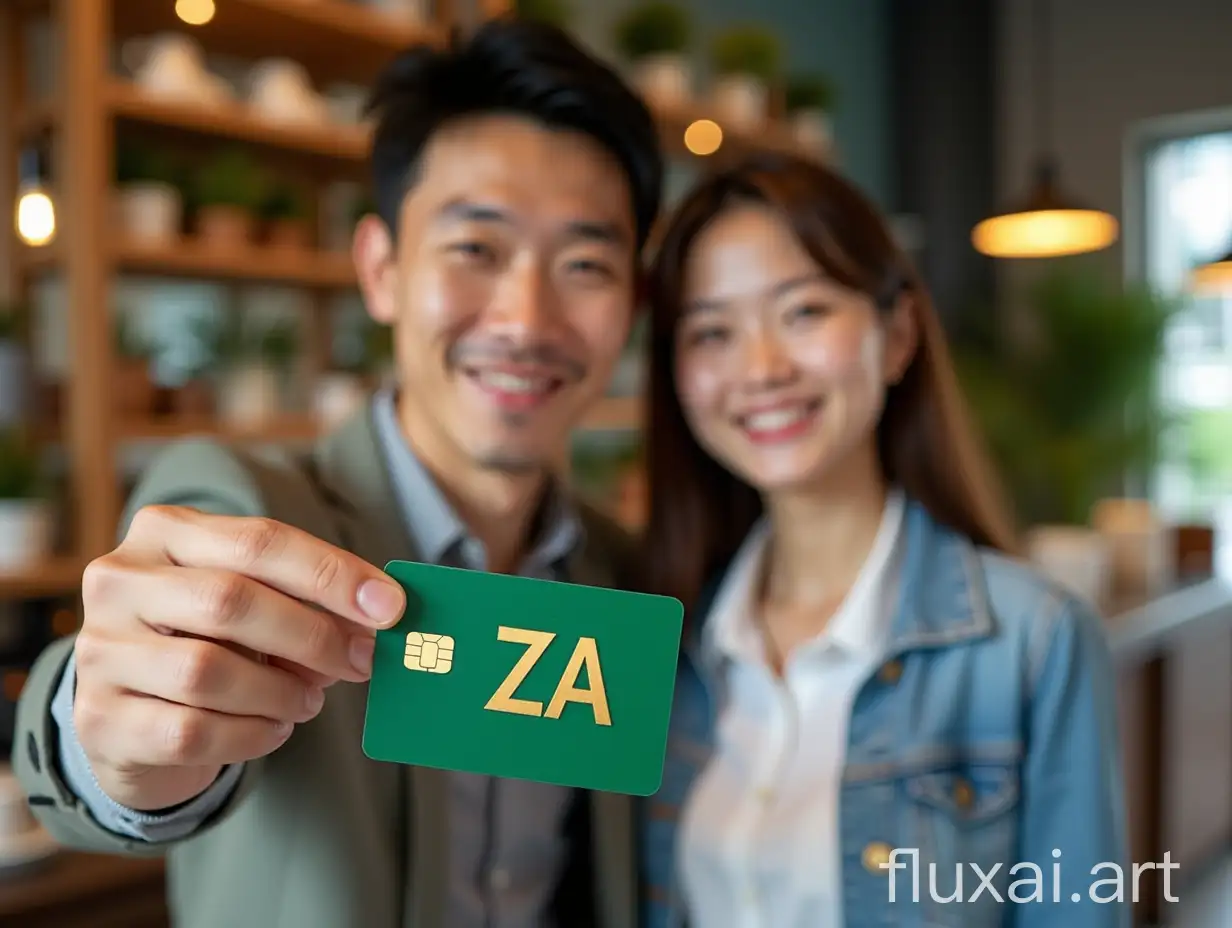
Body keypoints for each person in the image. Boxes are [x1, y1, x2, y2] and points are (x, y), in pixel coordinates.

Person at [13, 18, 662, 928]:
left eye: (586, 263)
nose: (525, 316)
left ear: (630, 304)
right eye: (476, 248)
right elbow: (128, 708)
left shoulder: (626, 574)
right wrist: (114, 742)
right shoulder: (255, 514)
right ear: (382, 269)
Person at [636, 154, 1129, 927]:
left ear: (897, 334)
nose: (761, 367)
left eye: (802, 312)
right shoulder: (661, 643)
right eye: (712, 332)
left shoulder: (1034, 640)